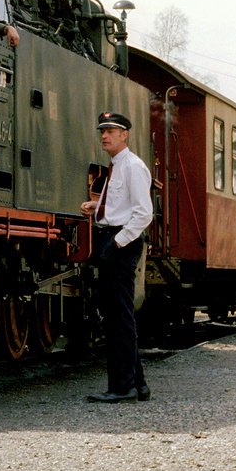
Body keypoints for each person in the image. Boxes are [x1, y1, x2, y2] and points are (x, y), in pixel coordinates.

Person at [80, 111, 153, 403]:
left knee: (118, 315)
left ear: (125, 135)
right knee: (117, 314)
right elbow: (122, 205)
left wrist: (118, 243)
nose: (105, 135)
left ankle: (121, 388)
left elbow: (143, 213)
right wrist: (97, 207)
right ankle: (139, 384)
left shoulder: (133, 167)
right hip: (115, 238)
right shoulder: (118, 166)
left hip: (123, 242)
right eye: (103, 131)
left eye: (111, 131)